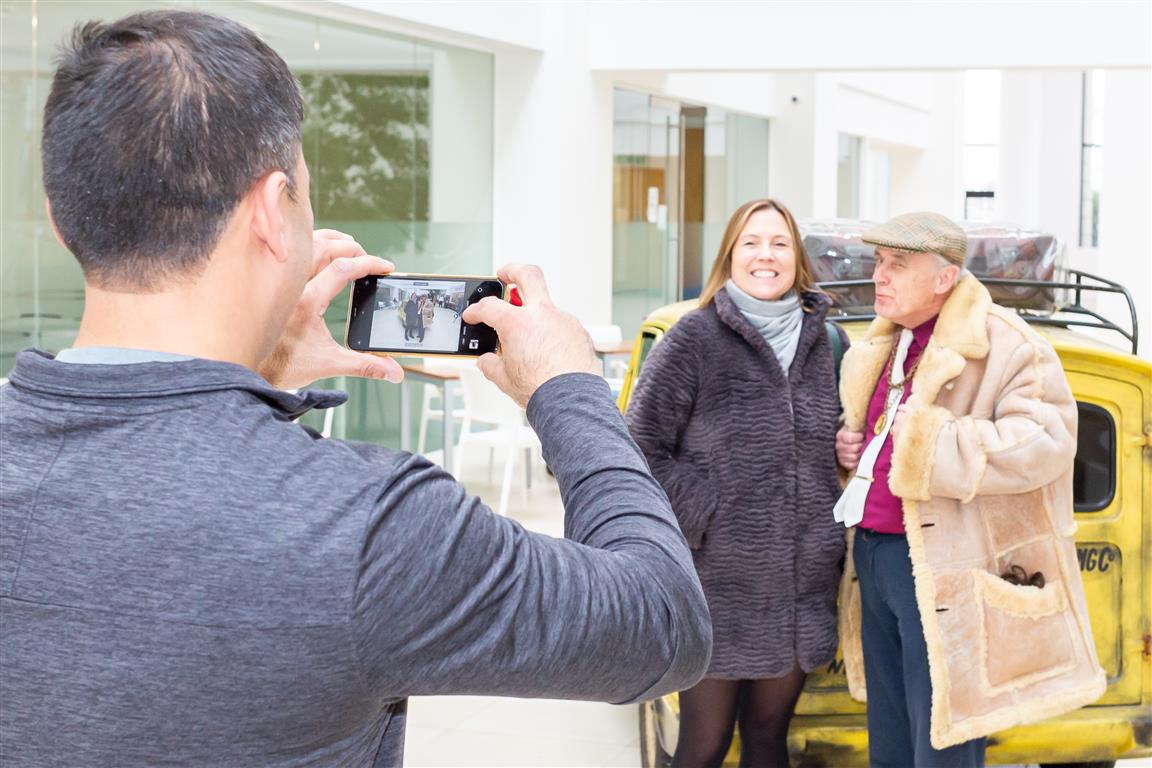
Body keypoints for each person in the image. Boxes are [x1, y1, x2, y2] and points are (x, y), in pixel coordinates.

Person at [0, 11, 713, 767]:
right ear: (274, 211)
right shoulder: (370, 525)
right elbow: (664, 622)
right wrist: (568, 388)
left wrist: (249, 385)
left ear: (61, 218)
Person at [832, 212, 1105, 767]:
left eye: (897, 265)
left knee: (943, 745)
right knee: (890, 745)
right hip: (875, 558)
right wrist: (852, 452)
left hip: (943, 567)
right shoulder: (885, 342)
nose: (879, 276)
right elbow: (888, 442)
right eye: (879, 263)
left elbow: (1048, 440)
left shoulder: (1006, 343)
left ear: (943, 278)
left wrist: (938, 445)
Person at [627, 199, 848, 768]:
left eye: (779, 243)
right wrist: (708, 507)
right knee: (705, 744)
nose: (765, 255)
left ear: (797, 259)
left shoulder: (829, 344)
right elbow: (637, 447)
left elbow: (837, 441)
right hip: (718, 585)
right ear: (730, 255)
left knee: (770, 735)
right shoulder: (693, 339)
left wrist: (844, 452)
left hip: (802, 588)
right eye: (751, 242)